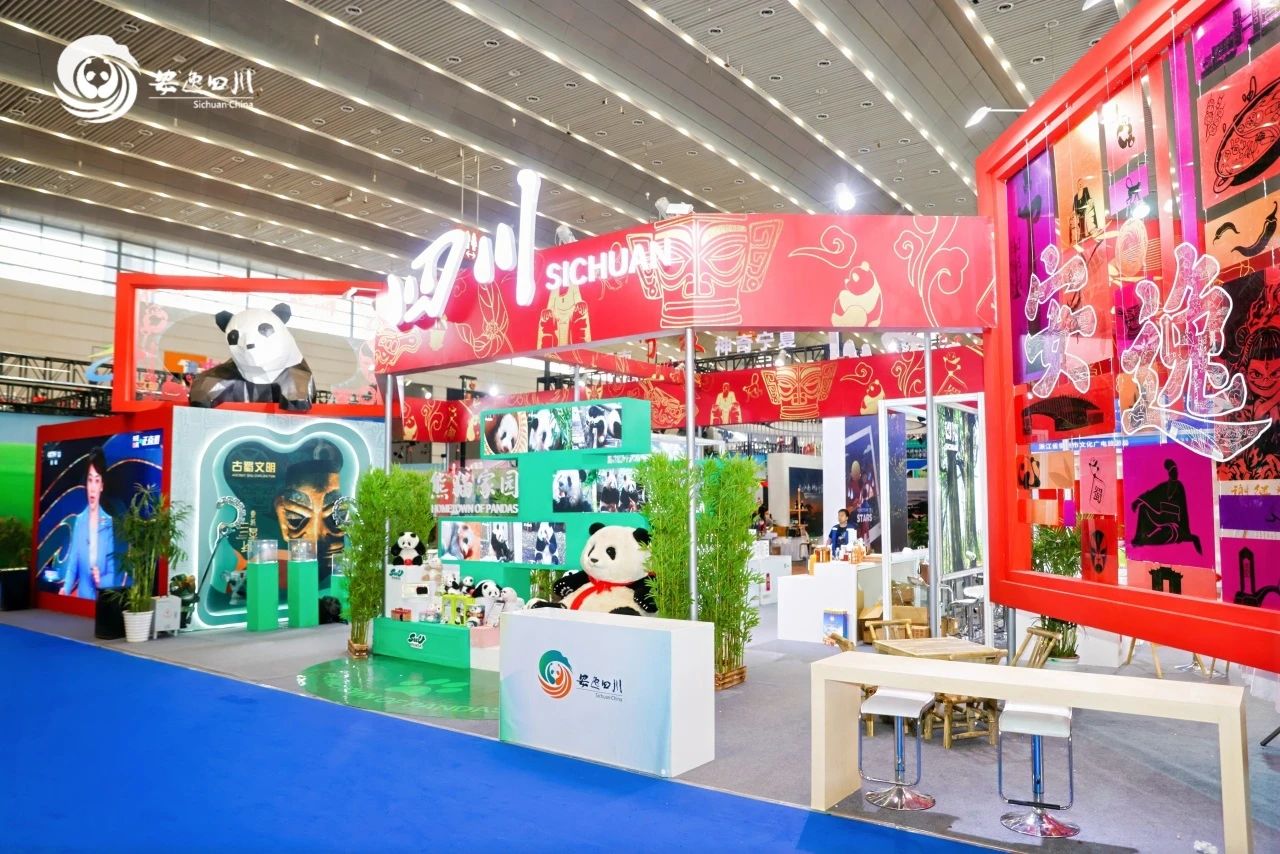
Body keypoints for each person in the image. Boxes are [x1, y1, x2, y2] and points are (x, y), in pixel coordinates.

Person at [60, 446, 118, 599]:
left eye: (97, 481)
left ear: (102, 486)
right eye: (90, 480)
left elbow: (114, 574)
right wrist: (65, 590)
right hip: (83, 600)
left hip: (103, 603)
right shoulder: (80, 521)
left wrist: (100, 581)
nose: (92, 488)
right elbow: (73, 565)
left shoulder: (109, 524)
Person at [1131, 458, 1202, 554]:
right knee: (1143, 508)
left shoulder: (1179, 485)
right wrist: (1138, 501)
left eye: (1175, 471)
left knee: (1169, 533)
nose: (1175, 474)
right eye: (1172, 472)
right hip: (1163, 515)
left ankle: (1146, 538)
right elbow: (1152, 493)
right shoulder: (1165, 485)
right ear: (1169, 473)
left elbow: (1183, 508)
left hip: (1174, 518)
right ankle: (1139, 536)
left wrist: (1183, 527)